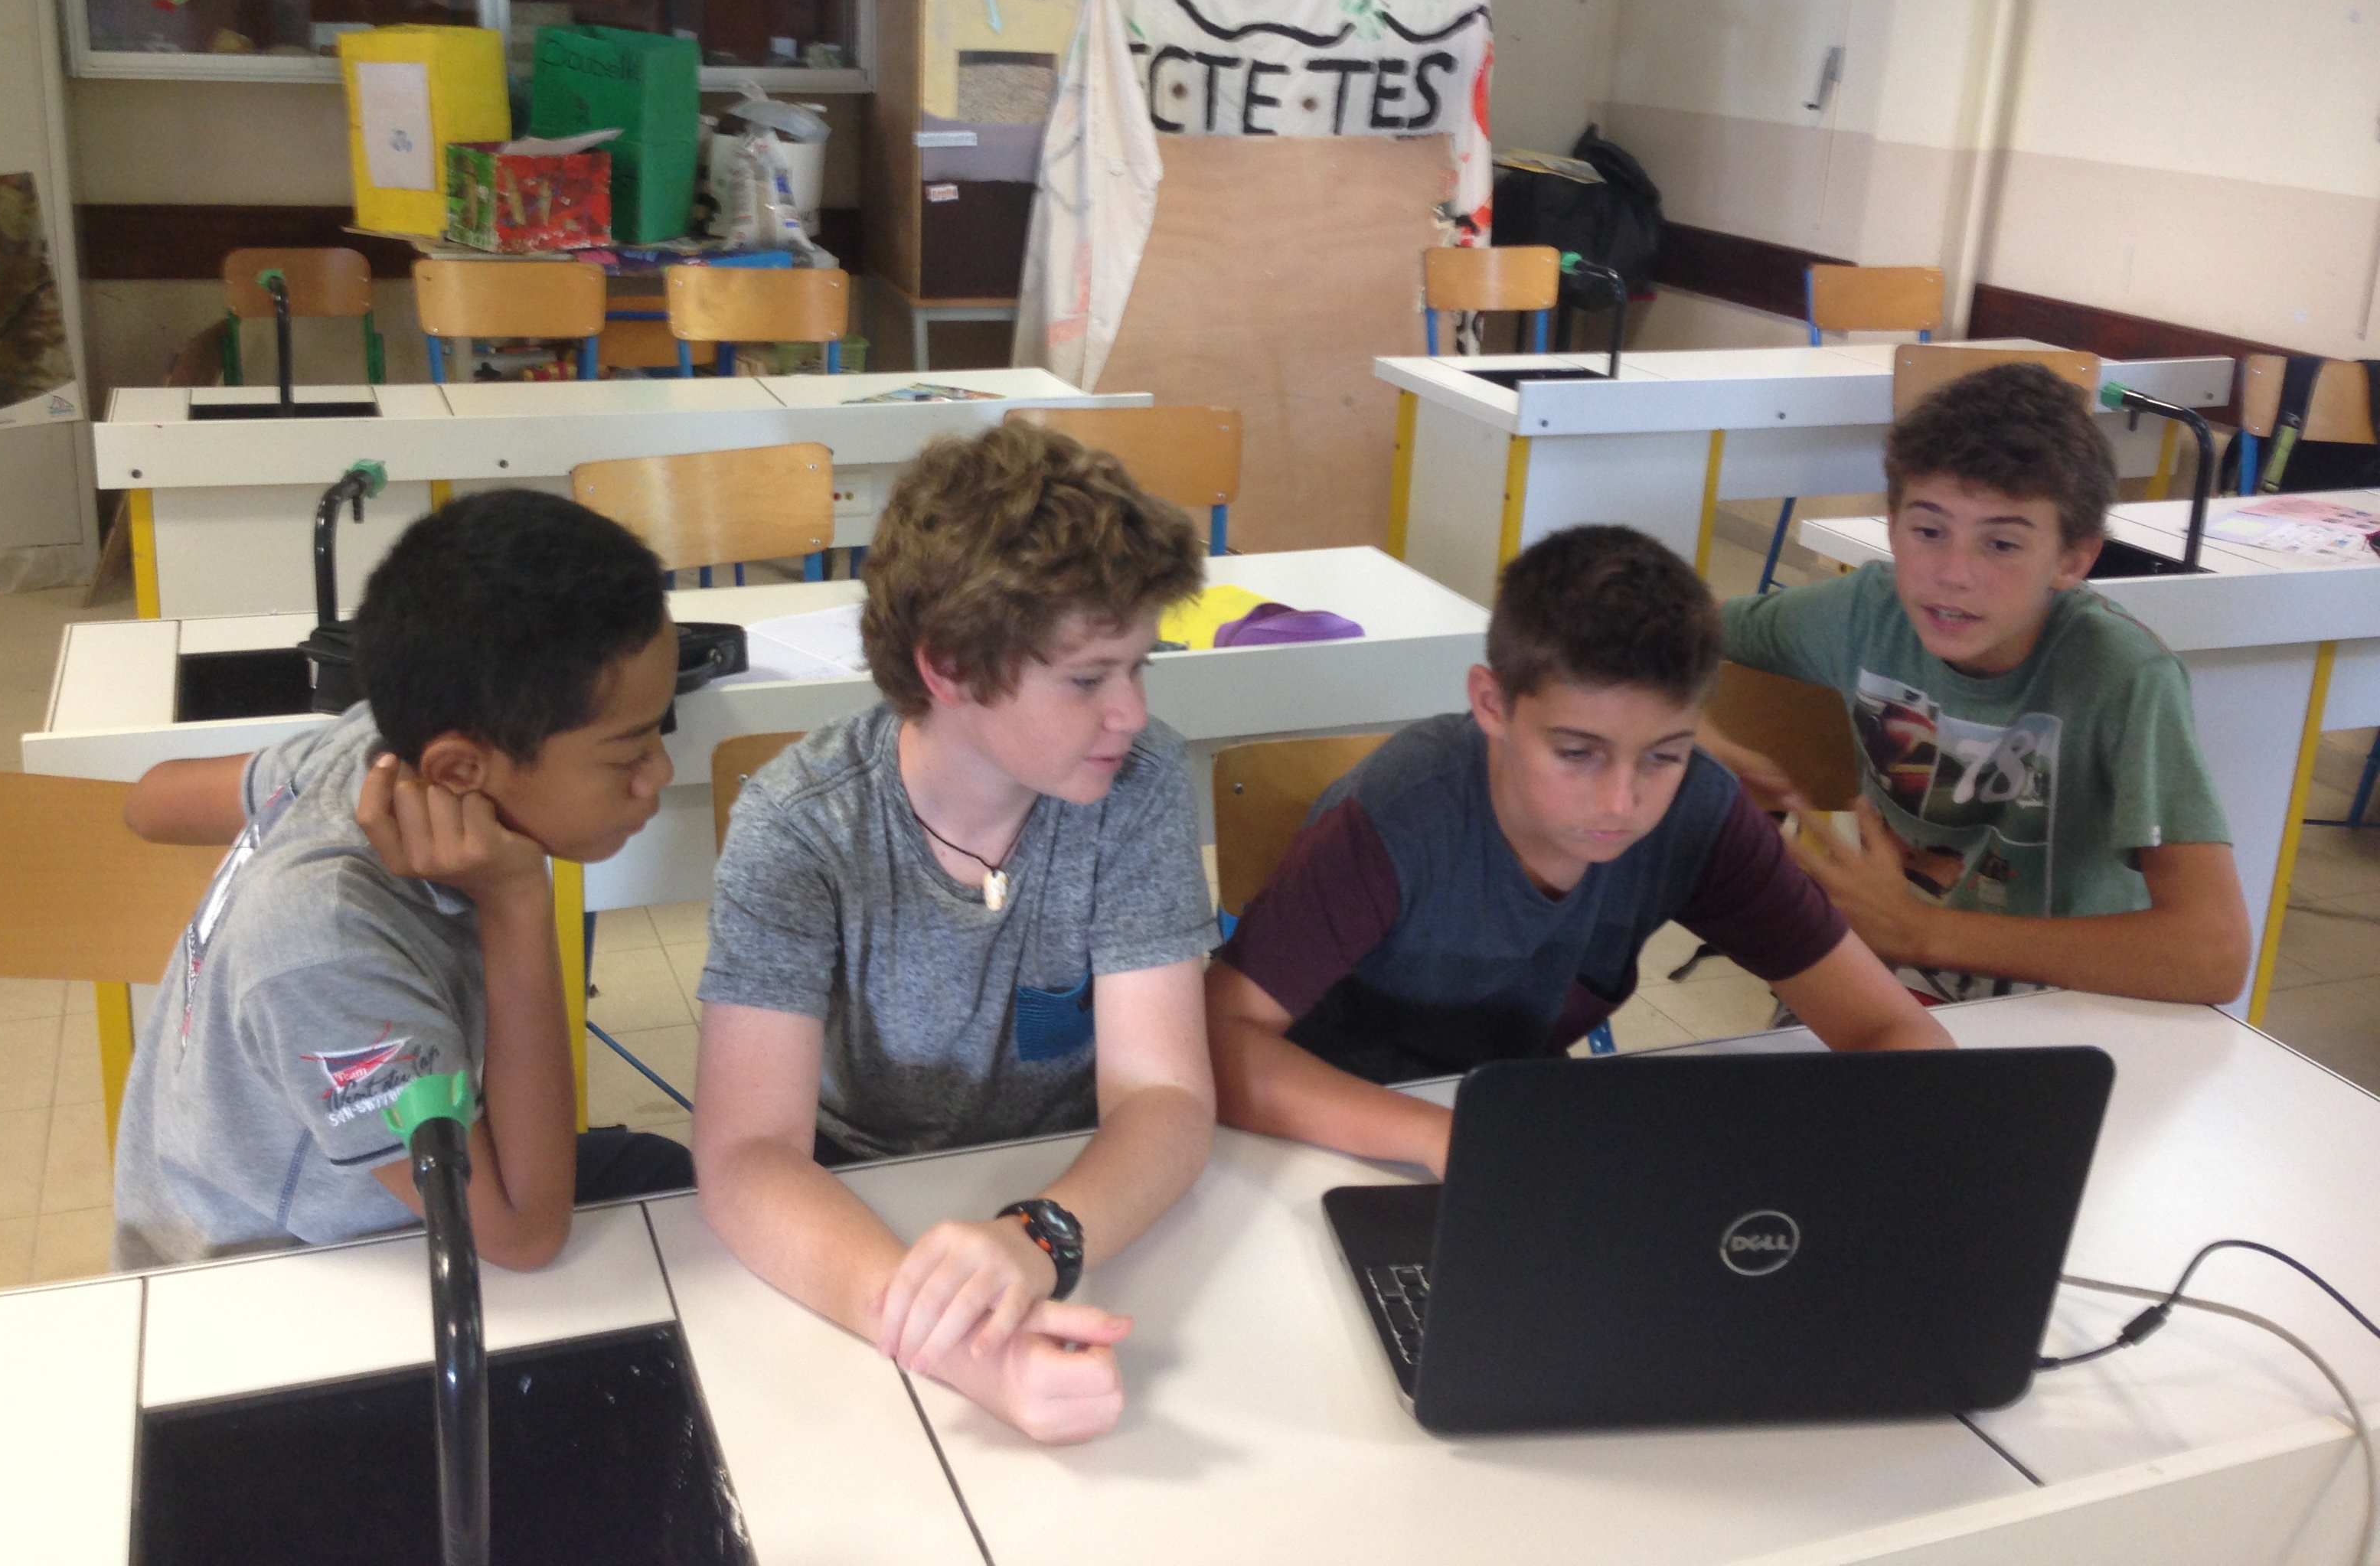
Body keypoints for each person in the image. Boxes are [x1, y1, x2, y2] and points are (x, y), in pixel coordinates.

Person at [694, 422, 1219, 1447]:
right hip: (857, 1209)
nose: (1130, 713)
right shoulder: (801, 824)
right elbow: (748, 1155)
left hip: (1079, 1183)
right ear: (949, 668)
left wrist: (1040, 1236)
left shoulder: (1140, 783)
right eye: (1087, 679)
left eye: (1139, 665)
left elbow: (1164, 1096)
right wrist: (961, 1344)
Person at [1205, 526, 1949, 1179]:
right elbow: (1218, 1042)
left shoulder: (1698, 813)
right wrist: (1441, 1138)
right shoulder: (1400, 815)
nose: (1621, 802)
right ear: (1492, 703)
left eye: (1664, 754)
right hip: (1318, 1136)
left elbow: (1888, 1027)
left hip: (1514, 1129)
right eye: (1577, 752)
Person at [111, 490, 690, 1272]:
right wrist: (516, 902)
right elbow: (523, 1236)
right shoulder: (324, 945)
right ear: (460, 771)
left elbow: (149, 802)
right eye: (629, 752)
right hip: (273, 1273)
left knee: (667, 1177)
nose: (661, 773)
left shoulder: (372, 747)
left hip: (369, 1202)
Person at [1710, 361, 2251, 1005]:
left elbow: (2215, 956)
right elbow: (1659, 629)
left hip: (2061, 1006)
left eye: (2001, 545)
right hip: (1885, 987)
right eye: (1929, 531)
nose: (1953, 574)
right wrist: (1689, 734)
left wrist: (1921, 932)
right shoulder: (1861, 613)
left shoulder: (2124, 676)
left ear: (2073, 558)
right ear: (1892, 526)